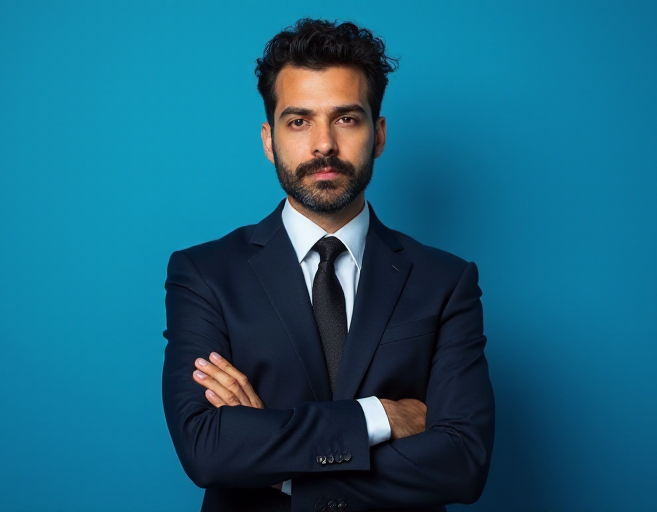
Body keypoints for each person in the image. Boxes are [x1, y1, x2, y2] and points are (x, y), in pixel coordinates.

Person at [162, 18, 495, 512]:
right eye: (299, 121)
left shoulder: (445, 281)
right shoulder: (205, 275)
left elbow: (463, 462)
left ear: (378, 134)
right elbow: (208, 449)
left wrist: (280, 471)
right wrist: (379, 418)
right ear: (268, 139)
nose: (323, 145)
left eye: (346, 119)